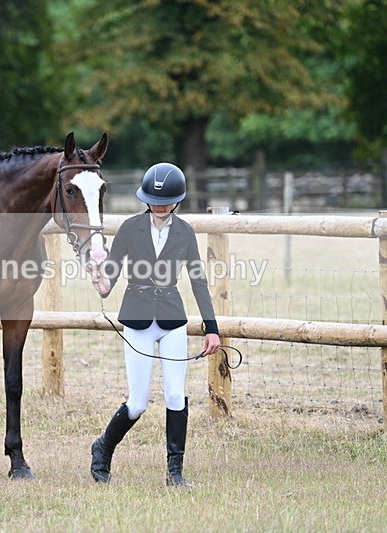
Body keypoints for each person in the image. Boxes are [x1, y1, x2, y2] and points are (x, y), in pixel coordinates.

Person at [90, 162, 221, 488]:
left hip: (172, 318)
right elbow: (111, 275)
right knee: (137, 402)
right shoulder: (129, 229)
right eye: (153, 199)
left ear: (177, 201)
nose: (159, 205)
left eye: (165, 200)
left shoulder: (185, 232)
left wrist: (212, 327)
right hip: (137, 317)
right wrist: (101, 281)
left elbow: (198, 280)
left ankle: (175, 473)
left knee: (176, 395)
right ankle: (103, 447)